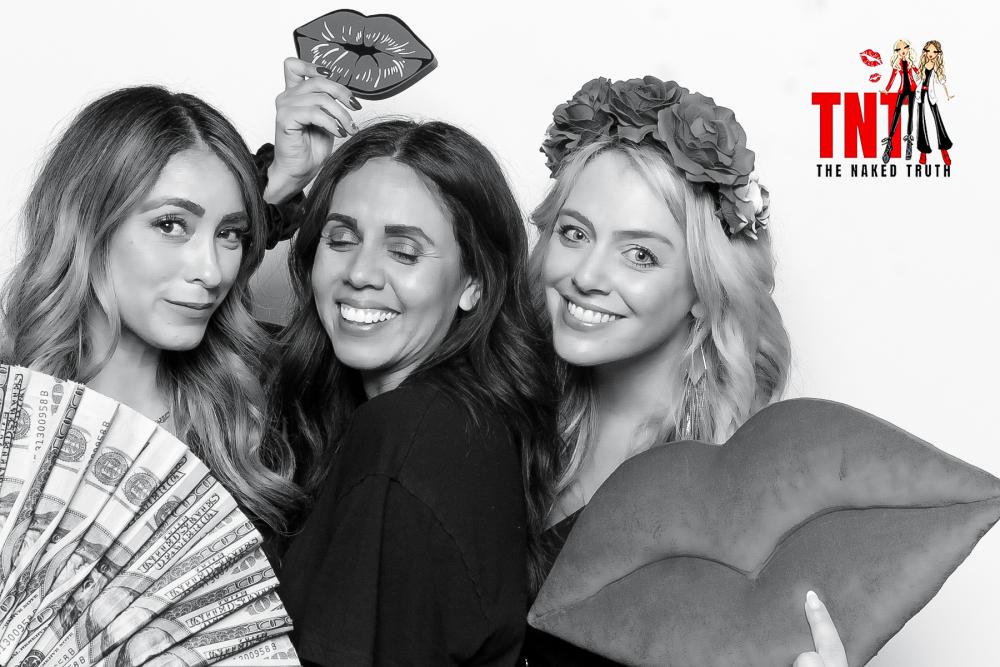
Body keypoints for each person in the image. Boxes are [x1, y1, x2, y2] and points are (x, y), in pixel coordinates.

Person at [521, 76, 847, 666]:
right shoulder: (500, 413)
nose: (585, 275)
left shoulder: (750, 500)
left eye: (639, 254)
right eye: (574, 233)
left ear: (703, 289)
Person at [0, 58, 355, 537]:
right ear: (88, 226)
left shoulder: (260, 416)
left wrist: (286, 180)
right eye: (170, 225)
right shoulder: (14, 414)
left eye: (230, 233)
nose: (211, 272)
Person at [274, 119, 560, 666]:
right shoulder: (457, 421)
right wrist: (275, 189)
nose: (360, 273)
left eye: (404, 252)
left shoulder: (410, 434)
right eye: (341, 239)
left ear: (475, 283)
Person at [915, 40, 954, 166]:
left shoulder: (937, 66)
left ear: (938, 53)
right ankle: (923, 151)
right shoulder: (922, 64)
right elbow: (915, 80)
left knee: (937, 120)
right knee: (921, 122)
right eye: (928, 51)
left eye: (934, 51)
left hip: (931, 95)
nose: (931, 53)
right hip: (920, 95)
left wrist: (948, 94)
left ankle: (944, 149)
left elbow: (942, 82)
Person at [881, 39, 920, 163]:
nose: (902, 51)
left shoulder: (910, 62)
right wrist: (887, 89)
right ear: (896, 51)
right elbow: (892, 78)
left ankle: (909, 141)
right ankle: (890, 141)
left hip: (912, 89)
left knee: (910, 113)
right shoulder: (897, 65)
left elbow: (919, 72)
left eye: (905, 48)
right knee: (896, 112)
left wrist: (924, 75)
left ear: (908, 48)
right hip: (902, 90)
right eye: (899, 49)